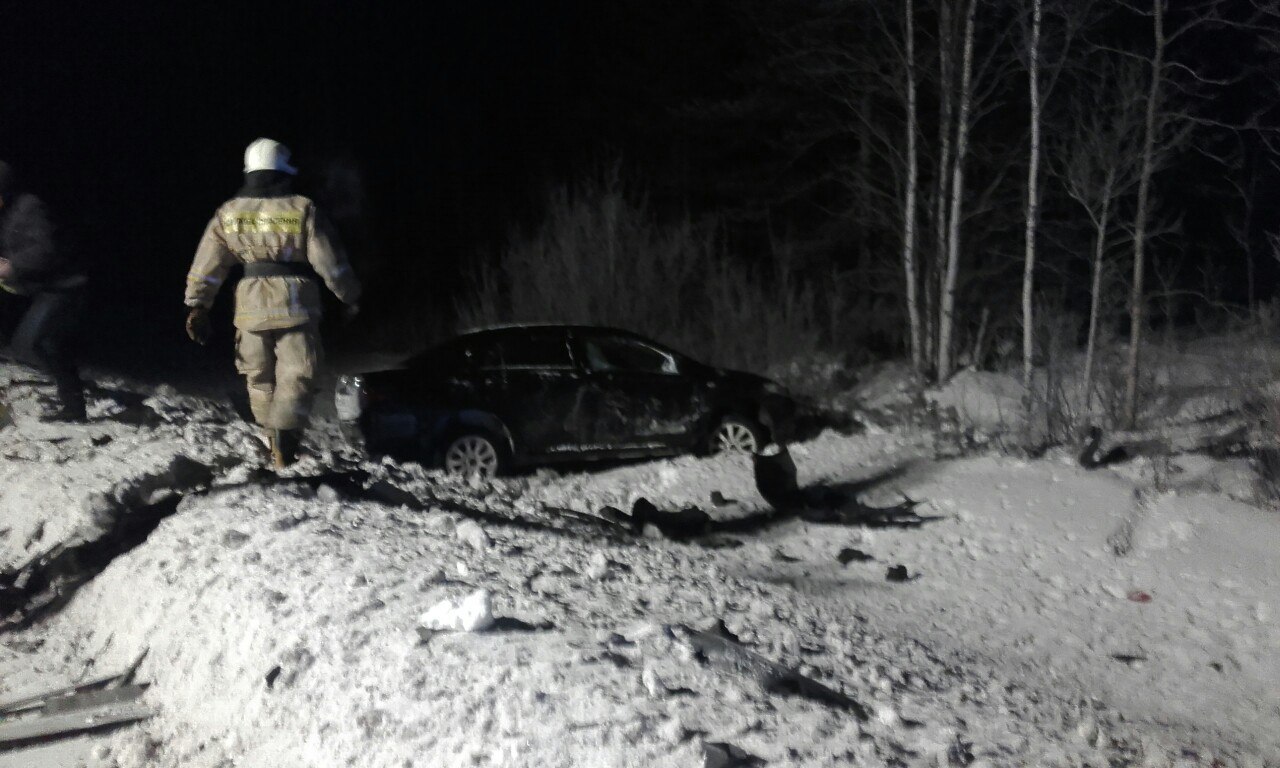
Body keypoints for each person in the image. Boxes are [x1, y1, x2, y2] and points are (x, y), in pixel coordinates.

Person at [184, 138, 360, 468]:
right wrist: (350, 295)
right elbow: (330, 262)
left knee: (259, 377)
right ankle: (285, 438)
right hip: (295, 304)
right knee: (298, 373)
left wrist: (198, 304)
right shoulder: (303, 208)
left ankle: (271, 442)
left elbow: (208, 263)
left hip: (249, 306)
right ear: (284, 169)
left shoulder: (229, 212)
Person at [0, 160, 89, 422]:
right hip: (34, 286)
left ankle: (74, 407)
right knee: (43, 344)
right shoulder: (5, 212)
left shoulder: (28, 208)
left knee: (35, 343)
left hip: (64, 285)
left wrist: (12, 265)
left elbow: (44, 250)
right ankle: (74, 407)